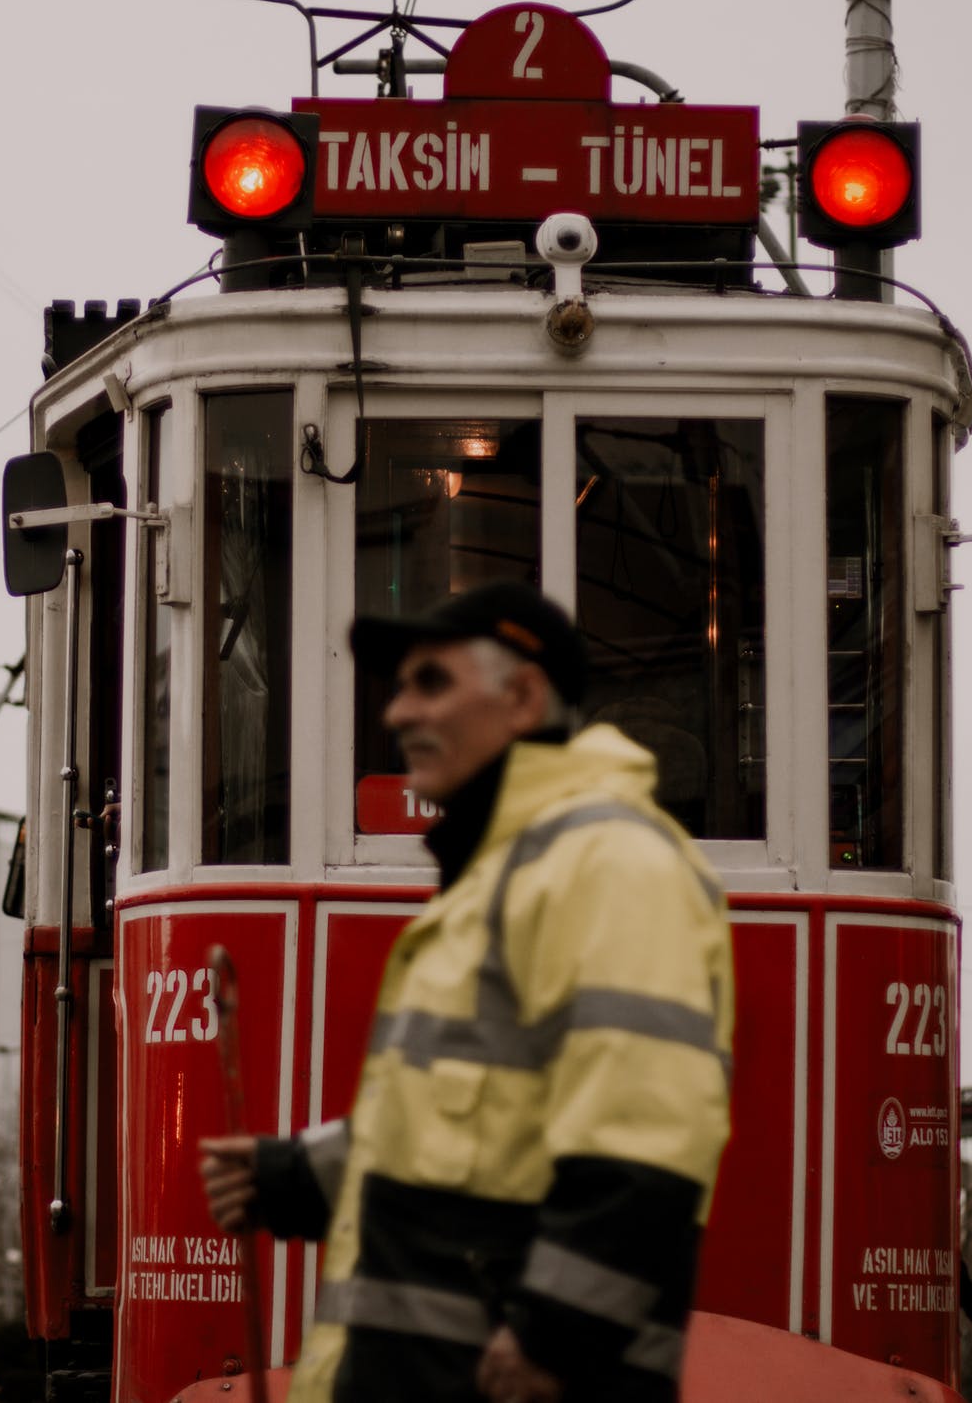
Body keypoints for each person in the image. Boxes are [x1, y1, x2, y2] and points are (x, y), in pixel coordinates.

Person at [199, 581, 734, 1403]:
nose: (398, 713)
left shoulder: (608, 866)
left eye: (431, 682)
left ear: (522, 696)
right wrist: (295, 1175)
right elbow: (458, 1124)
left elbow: (644, 1144)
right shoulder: (505, 873)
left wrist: (556, 1337)